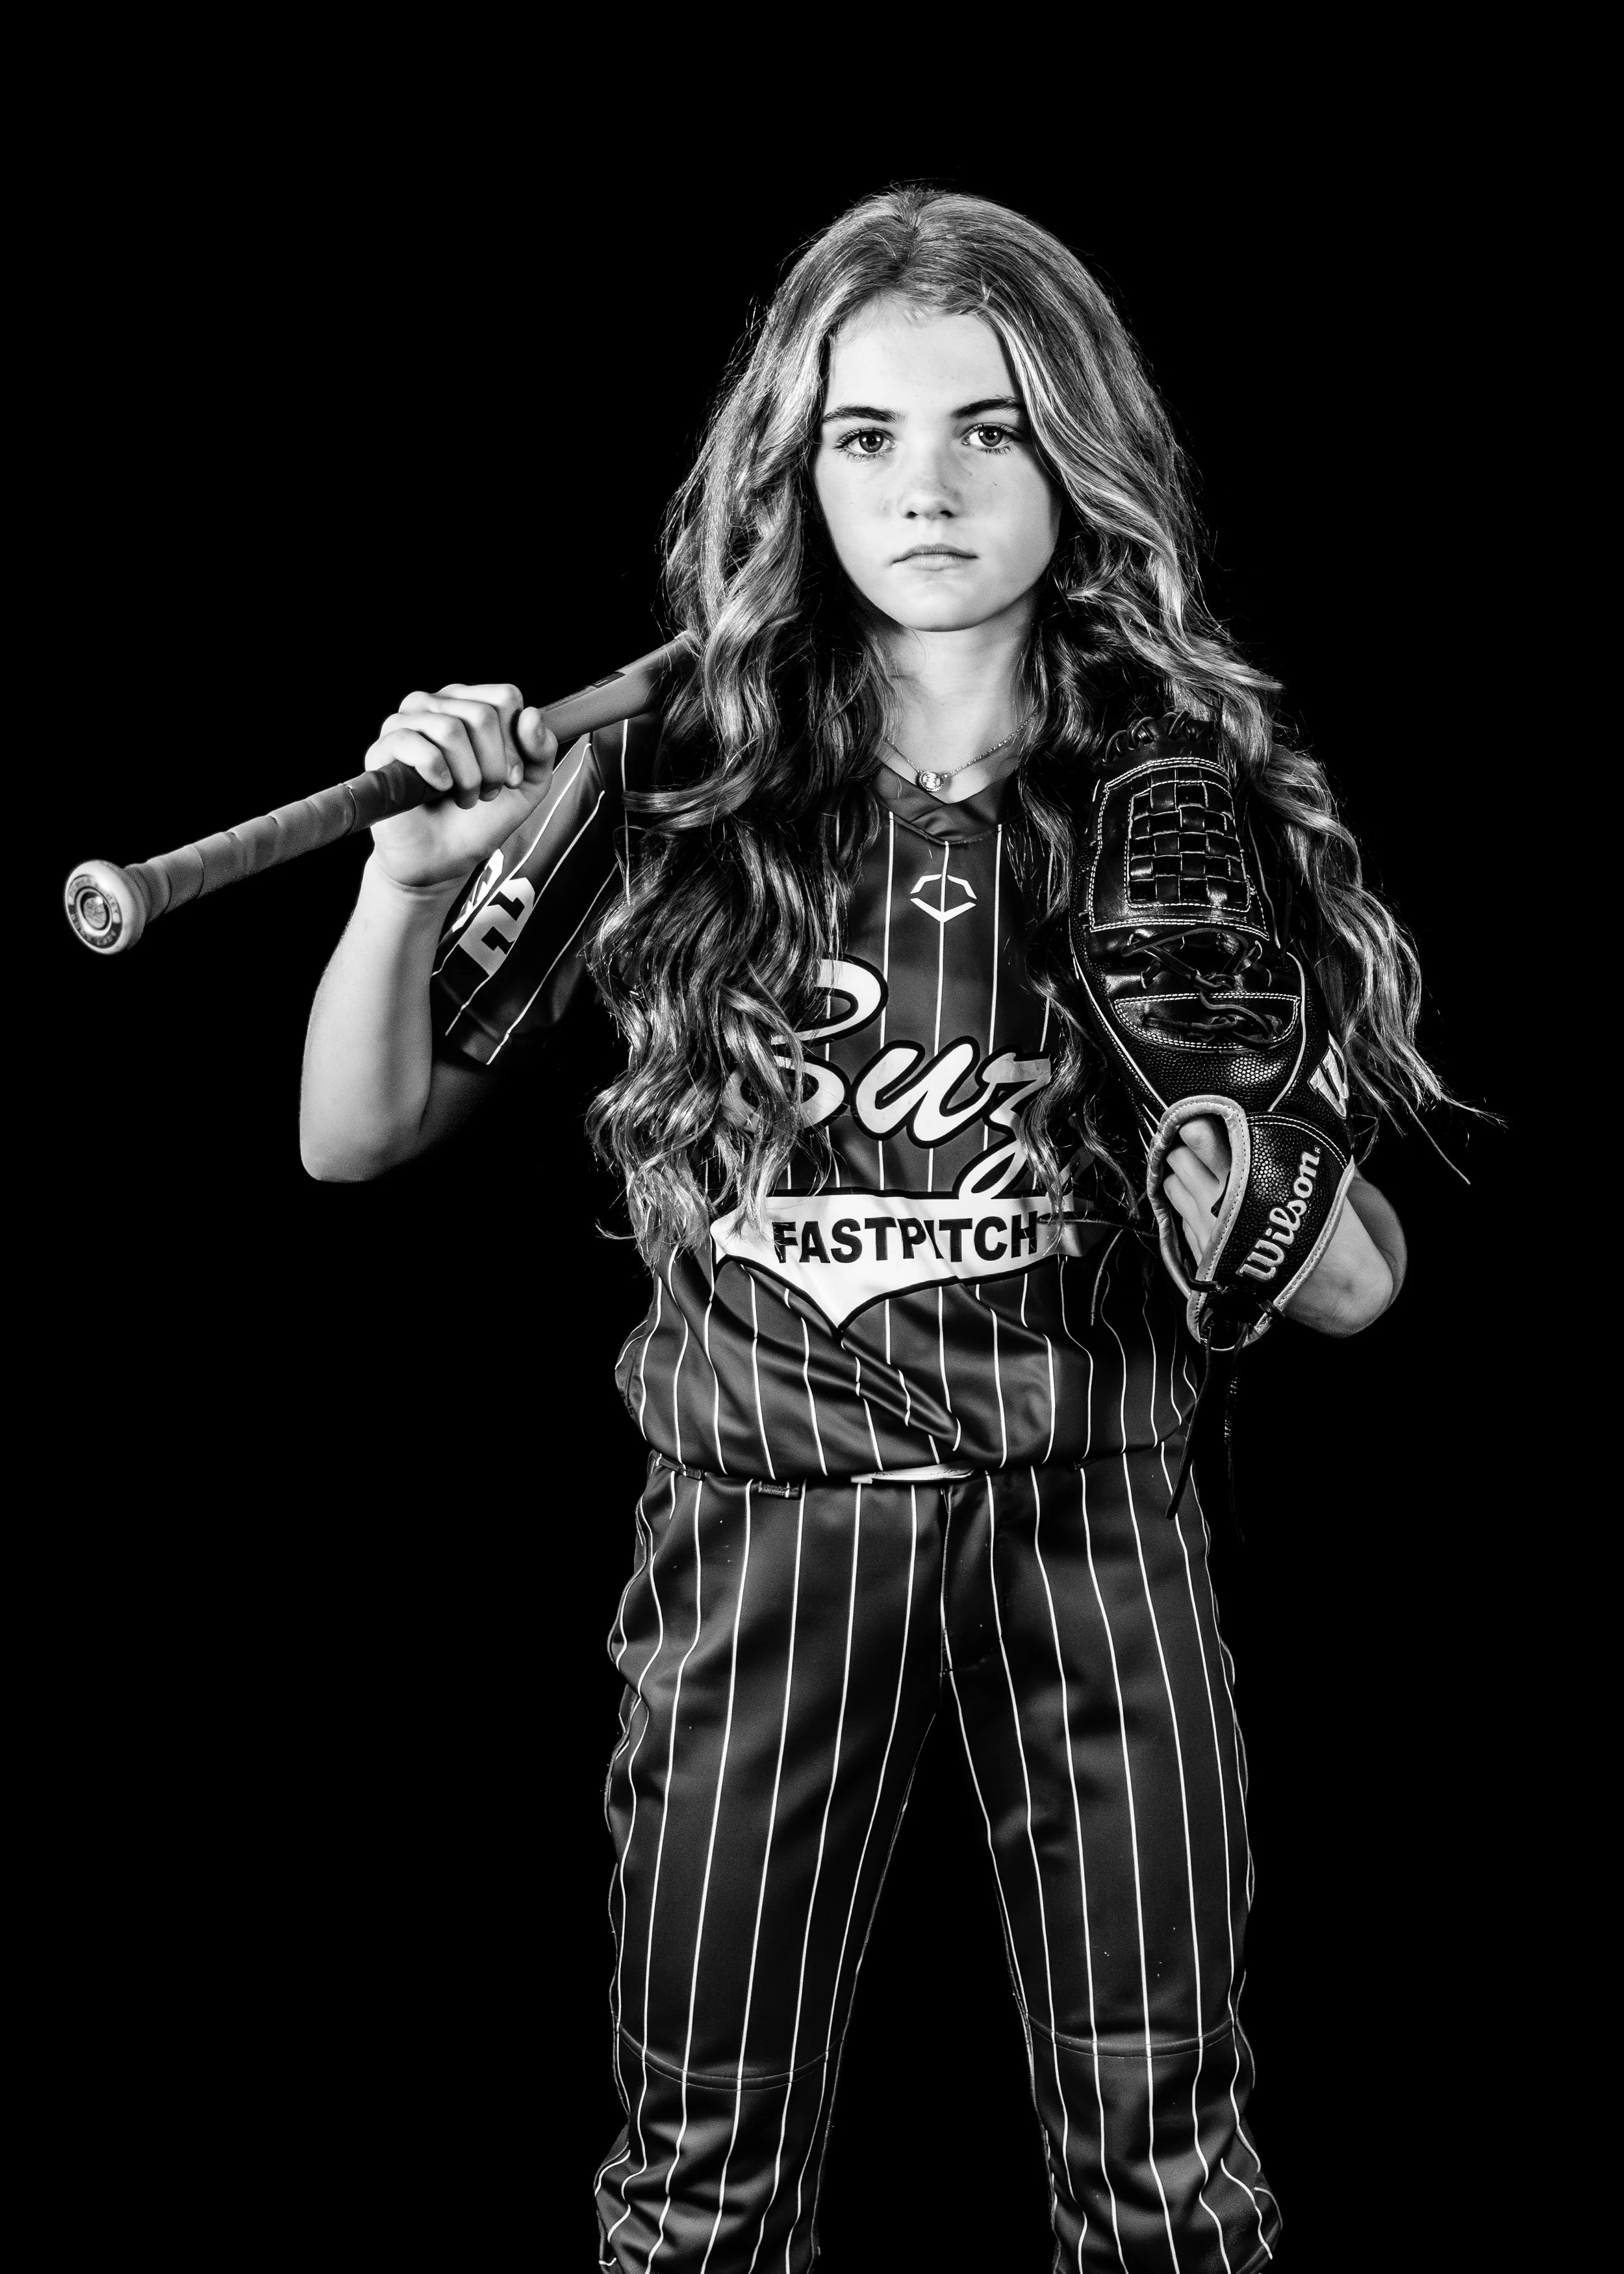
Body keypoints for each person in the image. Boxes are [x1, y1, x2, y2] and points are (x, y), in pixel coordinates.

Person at [299, 186, 1434, 2272]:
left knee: (1165, 2178)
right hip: (762, 1522)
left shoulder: (1172, 797)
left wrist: (1238, 1172)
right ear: (793, 470)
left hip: (1094, 1515)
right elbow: (355, 1137)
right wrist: (403, 878)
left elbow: (1355, 1282)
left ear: (1076, 452)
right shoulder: (668, 781)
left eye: (987, 429)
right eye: (864, 435)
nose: (923, 486)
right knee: (696, 2183)